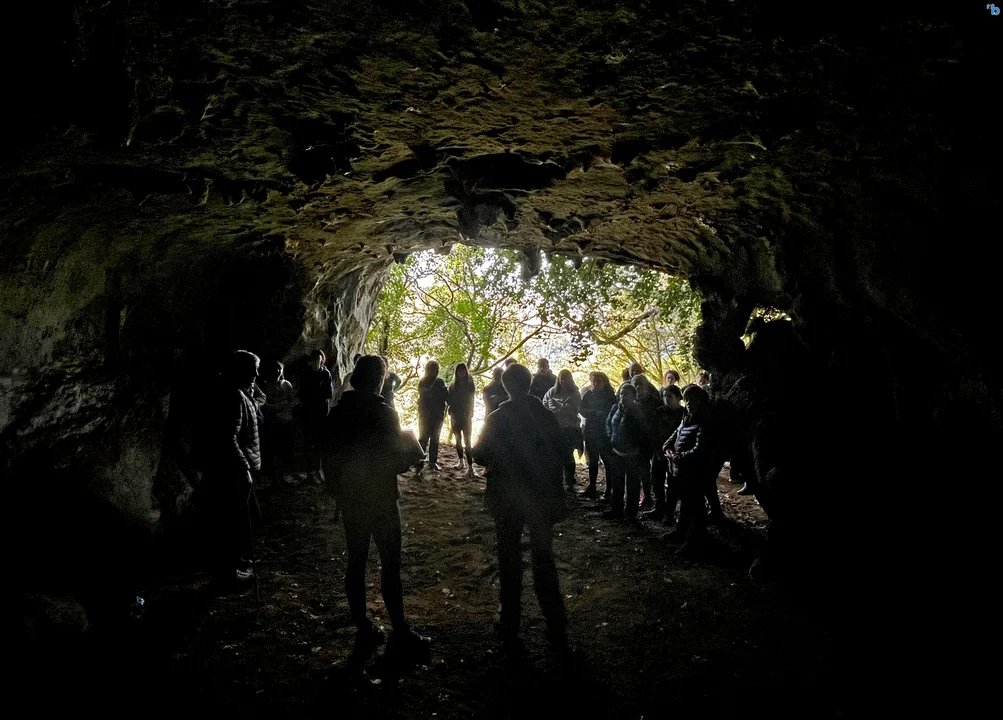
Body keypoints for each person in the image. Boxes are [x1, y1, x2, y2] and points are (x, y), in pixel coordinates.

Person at [322, 355, 431, 662]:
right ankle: (400, 631)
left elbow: (329, 458)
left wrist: (338, 490)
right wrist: (411, 454)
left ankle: (364, 628)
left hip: (351, 498)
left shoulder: (337, 413)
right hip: (381, 497)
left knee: (356, 562)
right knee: (390, 564)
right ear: (380, 380)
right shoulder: (385, 414)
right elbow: (394, 461)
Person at [472, 363, 569, 653]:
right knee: (543, 557)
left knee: (509, 556)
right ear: (528, 384)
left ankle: (509, 620)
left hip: (507, 496)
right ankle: (555, 621)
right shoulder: (546, 416)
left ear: (505, 387)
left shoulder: (498, 418)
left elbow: (480, 455)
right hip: (541, 496)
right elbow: (562, 452)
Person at [202, 350, 261, 592]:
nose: (256, 375)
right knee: (231, 523)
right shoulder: (232, 395)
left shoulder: (236, 392)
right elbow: (227, 437)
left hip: (230, 468)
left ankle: (233, 566)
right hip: (230, 471)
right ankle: (226, 577)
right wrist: (243, 467)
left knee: (241, 520)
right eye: (252, 370)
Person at [663, 384, 717, 556]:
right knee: (686, 504)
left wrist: (678, 457)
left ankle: (696, 541)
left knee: (696, 507)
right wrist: (667, 447)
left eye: (693, 400)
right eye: (687, 401)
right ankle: (682, 532)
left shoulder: (704, 422)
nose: (689, 404)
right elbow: (675, 435)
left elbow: (700, 450)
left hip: (696, 472)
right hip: (682, 471)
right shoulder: (687, 419)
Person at [603, 384, 647, 521]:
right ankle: (616, 510)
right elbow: (608, 423)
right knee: (617, 483)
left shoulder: (638, 411)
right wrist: (611, 439)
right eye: (621, 394)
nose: (623, 397)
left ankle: (631, 513)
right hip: (616, 451)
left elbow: (643, 432)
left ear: (634, 396)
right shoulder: (615, 408)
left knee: (632, 485)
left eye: (626, 394)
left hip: (633, 454)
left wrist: (636, 446)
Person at [644, 384, 684, 523]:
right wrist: (657, 450)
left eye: (669, 396)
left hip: (674, 454)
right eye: (664, 396)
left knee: (673, 484)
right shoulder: (659, 412)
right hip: (659, 452)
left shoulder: (683, 414)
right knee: (656, 481)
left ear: (678, 397)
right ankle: (659, 508)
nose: (666, 399)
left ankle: (669, 513)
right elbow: (652, 432)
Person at [257, 359, 298, 487]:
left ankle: (281, 477)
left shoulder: (286, 385)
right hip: (273, 424)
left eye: (279, 368)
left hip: (285, 422)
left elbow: (294, 401)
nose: (277, 371)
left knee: (284, 451)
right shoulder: (266, 386)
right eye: (275, 368)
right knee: (273, 452)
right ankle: (275, 479)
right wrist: (282, 405)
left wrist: (279, 406)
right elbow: (265, 405)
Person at [578, 372, 616, 500]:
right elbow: (581, 409)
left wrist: (602, 414)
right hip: (591, 432)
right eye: (593, 381)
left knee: (607, 461)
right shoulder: (588, 394)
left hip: (604, 433)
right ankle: (592, 487)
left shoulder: (609, 395)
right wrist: (593, 412)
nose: (595, 384)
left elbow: (613, 410)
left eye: (598, 381)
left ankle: (608, 489)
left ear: (604, 382)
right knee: (592, 461)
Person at [543, 370, 583, 491]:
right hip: (556, 427)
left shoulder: (575, 392)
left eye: (566, 378)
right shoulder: (552, 391)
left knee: (568, 454)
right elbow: (545, 405)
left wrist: (557, 407)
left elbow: (573, 409)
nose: (564, 381)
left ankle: (569, 480)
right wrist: (558, 408)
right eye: (562, 379)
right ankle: (557, 481)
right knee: (556, 454)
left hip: (570, 428)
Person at [298, 349, 334, 483]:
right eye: (314, 359)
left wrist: (315, 395)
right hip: (308, 413)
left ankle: (318, 470)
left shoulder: (325, 373)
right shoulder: (305, 373)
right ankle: (309, 473)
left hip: (321, 413)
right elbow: (302, 393)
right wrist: (317, 394)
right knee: (308, 443)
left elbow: (329, 393)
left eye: (318, 359)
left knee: (320, 443)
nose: (316, 361)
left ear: (322, 360)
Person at [631, 374, 662, 512]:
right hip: (639, 441)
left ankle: (658, 502)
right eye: (635, 385)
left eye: (641, 384)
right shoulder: (633, 403)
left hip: (654, 441)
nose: (638, 387)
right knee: (643, 470)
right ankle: (647, 496)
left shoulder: (656, 402)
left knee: (656, 473)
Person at [416, 360, 449, 475]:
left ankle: (432, 461)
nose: (436, 371)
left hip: (436, 414)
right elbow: (425, 396)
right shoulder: (425, 382)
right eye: (434, 369)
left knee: (434, 439)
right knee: (424, 439)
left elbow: (446, 396)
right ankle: (420, 461)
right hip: (427, 414)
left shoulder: (439, 382)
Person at [448, 362, 477, 476]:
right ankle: (461, 461)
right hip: (455, 415)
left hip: (465, 416)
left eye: (463, 370)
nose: (461, 372)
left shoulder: (469, 384)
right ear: (456, 372)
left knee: (467, 441)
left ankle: (470, 467)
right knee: (458, 440)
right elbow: (449, 399)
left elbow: (471, 399)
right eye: (459, 370)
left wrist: (470, 412)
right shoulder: (453, 385)